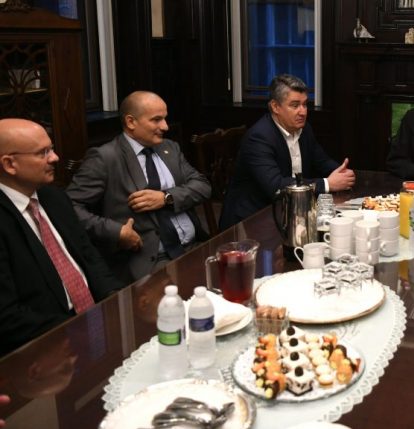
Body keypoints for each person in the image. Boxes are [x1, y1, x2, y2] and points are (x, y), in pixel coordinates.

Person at [0, 119, 121, 355]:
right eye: (43, 153)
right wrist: (76, 330)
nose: (55, 158)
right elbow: (7, 316)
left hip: (95, 320)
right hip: (46, 347)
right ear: (9, 164)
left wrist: (114, 296)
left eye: (52, 149)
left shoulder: (54, 197)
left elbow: (88, 256)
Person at [66, 91, 211, 283]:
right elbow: (68, 207)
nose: (165, 126)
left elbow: (203, 186)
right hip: (151, 260)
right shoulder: (105, 158)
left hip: (195, 246)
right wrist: (116, 232)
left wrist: (166, 198)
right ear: (131, 122)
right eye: (156, 120)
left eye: (165, 119)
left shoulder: (169, 148)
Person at [220, 74, 355, 229]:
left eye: (305, 104)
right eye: (295, 105)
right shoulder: (258, 138)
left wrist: (342, 173)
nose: (303, 112)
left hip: (289, 212)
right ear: (275, 107)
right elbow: (276, 186)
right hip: (251, 221)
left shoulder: (304, 129)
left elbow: (322, 161)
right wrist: (327, 184)